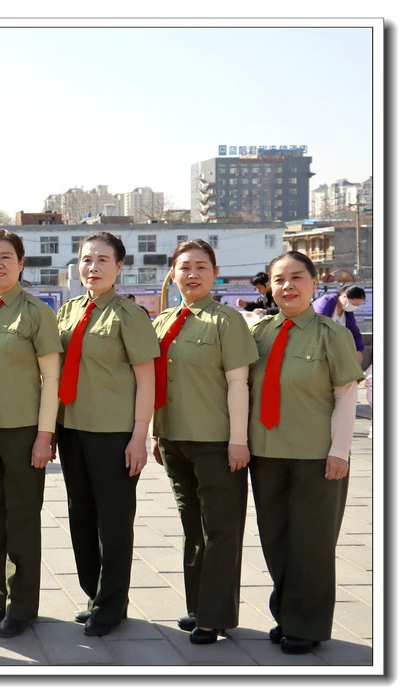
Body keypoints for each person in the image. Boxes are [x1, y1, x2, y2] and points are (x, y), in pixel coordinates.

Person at [247, 251, 363, 655]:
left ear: (315, 283)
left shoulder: (332, 334)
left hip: (317, 456)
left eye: (297, 278)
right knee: (276, 538)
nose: (287, 286)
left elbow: (347, 395)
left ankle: (307, 624)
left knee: (311, 543)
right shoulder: (260, 333)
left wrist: (340, 451)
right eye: (279, 280)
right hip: (266, 453)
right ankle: (287, 614)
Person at [150, 239, 258, 645]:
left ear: (215, 274)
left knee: (221, 529)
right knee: (191, 526)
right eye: (184, 267)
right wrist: (156, 434)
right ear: (172, 274)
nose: (191, 274)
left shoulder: (226, 321)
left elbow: (238, 382)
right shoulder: (162, 322)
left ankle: (215, 616)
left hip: (216, 441)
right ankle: (198, 606)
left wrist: (237, 440)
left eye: (201, 267)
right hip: (173, 439)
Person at [55, 231, 159, 637]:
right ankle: (94, 595)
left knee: (113, 523)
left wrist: (140, 436)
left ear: (119, 267)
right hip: (72, 430)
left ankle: (112, 604)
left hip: (113, 434)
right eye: (86, 260)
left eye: (102, 260)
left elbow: (146, 380)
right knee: (81, 516)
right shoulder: (67, 312)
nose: (92, 267)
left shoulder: (129, 316)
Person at [0, 231, 61, 639]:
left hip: (22, 431)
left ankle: (23, 606)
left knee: (21, 516)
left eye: (6, 257)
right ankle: (3, 595)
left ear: (21, 264)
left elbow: (51, 378)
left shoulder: (36, 313)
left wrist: (45, 435)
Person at [312, 285, 365, 358]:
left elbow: (354, 332)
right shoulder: (325, 303)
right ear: (344, 297)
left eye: (357, 305)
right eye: (353, 304)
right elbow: (317, 327)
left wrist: (358, 350)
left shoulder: (348, 313)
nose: (354, 307)